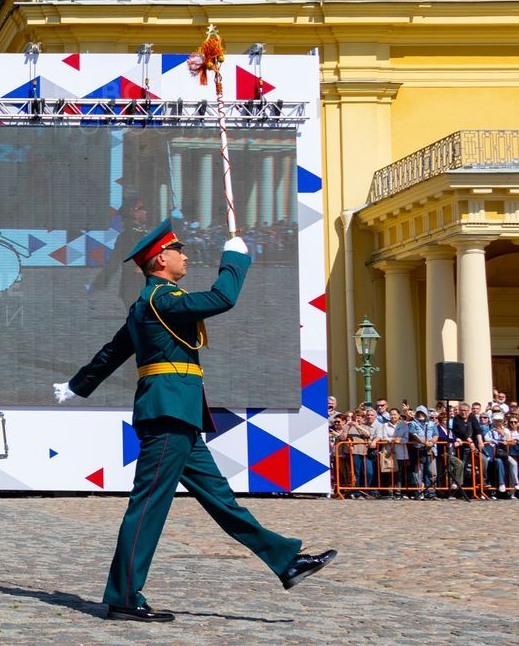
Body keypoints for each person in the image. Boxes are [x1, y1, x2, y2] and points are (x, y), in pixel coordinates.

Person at [55, 218, 335, 621]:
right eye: (178, 251)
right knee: (148, 505)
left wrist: (77, 385)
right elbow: (223, 298)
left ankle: (285, 561)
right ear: (160, 259)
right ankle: (123, 595)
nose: (185, 256)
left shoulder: (149, 304)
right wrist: (235, 260)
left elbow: (112, 351)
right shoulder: (161, 300)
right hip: (168, 413)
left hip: (178, 415)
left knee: (221, 500)